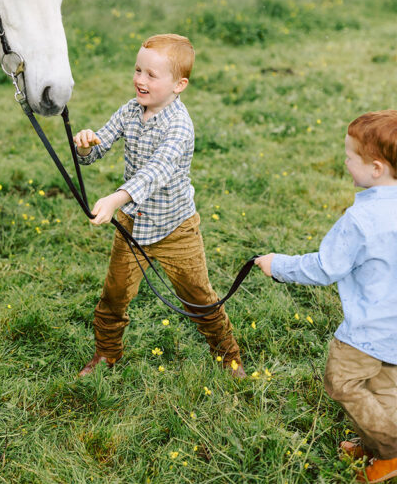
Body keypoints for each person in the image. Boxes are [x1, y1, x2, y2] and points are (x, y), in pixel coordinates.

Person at [72, 33, 244, 378]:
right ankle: (107, 353)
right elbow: (98, 148)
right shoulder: (130, 111)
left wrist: (116, 197)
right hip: (134, 226)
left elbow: (157, 172)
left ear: (179, 84)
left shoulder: (179, 126)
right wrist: (86, 145)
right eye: (138, 70)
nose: (140, 80)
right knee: (114, 296)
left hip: (176, 228)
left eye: (151, 75)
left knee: (200, 298)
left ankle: (228, 356)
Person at [255, 111, 397, 484]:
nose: (345, 161)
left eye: (351, 156)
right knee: (384, 390)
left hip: (367, 330)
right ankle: (378, 442)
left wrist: (278, 265)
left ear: (377, 169)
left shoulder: (360, 219)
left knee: (342, 382)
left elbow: (326, 267)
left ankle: (391, 450)